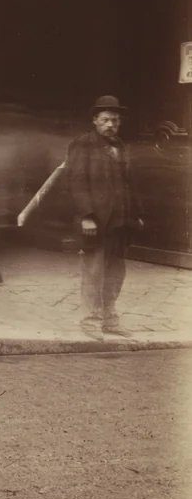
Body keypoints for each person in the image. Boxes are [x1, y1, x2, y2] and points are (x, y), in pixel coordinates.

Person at [65, 95, 144, 339]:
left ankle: (110, 320)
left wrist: (136, 213)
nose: (111, 125)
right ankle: (90, 322)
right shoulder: (83, 144)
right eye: (106, 120)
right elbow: (76, 182)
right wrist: (86, 216)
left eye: (115, 121)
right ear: (95, 121)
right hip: (97, 221)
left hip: (120, 221)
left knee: (116, 273)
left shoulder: (120, 146)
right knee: (94, 272)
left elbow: (129, 184)